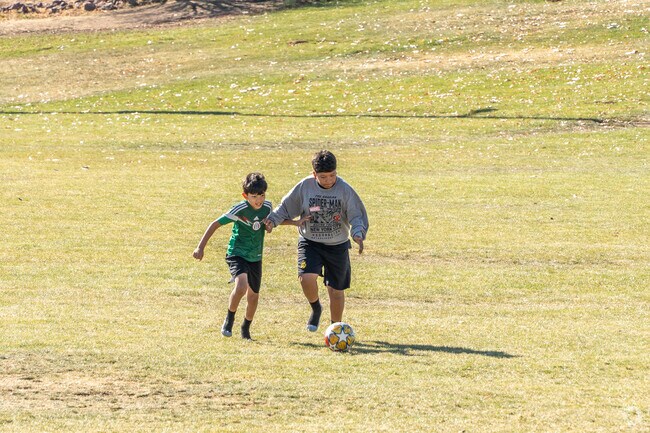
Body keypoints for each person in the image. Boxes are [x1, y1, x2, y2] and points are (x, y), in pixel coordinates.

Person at [265, 150, 369, 332]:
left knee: (335, 291)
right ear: (314, 174)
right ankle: (315, 308)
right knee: (306, 278)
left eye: (332, 175)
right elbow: (286, 208)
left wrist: (358, 234)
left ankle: (335, 330)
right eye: (323, 177)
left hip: (337, 245)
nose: (329, 180)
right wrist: (272, 221)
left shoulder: (345, 189)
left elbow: (356, 214)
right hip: (310, 241)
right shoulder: (305, 186)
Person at [192, 172, 272, 340]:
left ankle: (246, 328)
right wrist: (200, 247)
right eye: (254, 196)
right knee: (241, 286)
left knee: (254, 295)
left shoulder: (268, 207)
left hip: (256, 256)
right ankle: (229, 318)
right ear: (245, 196)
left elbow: (270, 224)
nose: (259, 200)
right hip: (237, 253)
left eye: (262, 195)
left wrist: (272, 226)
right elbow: (215, 224)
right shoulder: (239, 209)